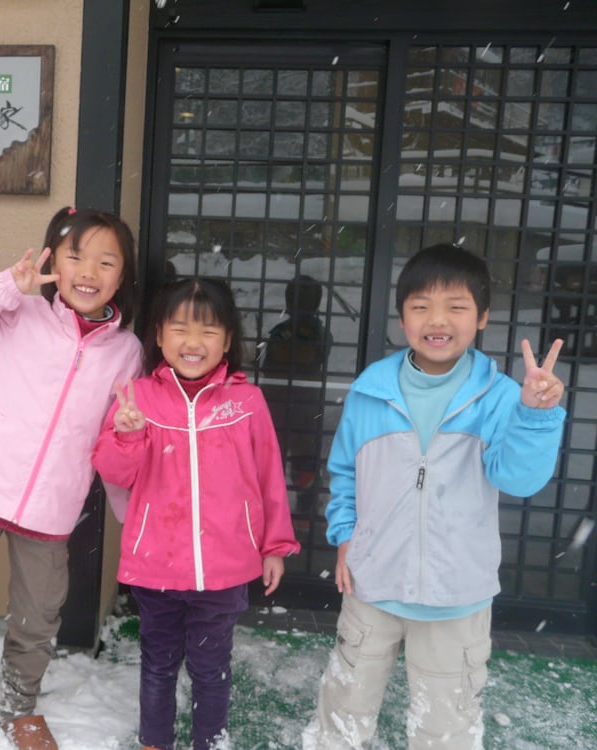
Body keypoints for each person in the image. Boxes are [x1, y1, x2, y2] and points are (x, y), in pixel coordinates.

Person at [303, 244, 567, 749]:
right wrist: (344, 537)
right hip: (372, 581)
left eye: (456, 307)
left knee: (445, 724)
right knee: (345, 707)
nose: (437, 320)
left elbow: (519, 479)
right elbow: (344, 472)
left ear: (483, 317)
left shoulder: (500, 397)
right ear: (403, 317)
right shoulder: (371, 390)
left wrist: (533, 413)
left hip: (457, 594)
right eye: (421, 306)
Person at [0, 207, 143, 750]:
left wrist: (133, 508)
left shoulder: (126, 351)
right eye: (75, 256)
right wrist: (5, 287)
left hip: (52, 507)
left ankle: (18, 710)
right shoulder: (16, 312)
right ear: (52, 261)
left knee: (37, 620)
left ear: (121, 276)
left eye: (106, 261)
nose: (89, 271)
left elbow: (114, 442)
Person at [92, 277, 301, 750]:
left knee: (211, 668)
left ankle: (211, 740)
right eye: (180, 328)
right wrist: (126, 434)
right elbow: (113, 471)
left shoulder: (246, 403)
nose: (193, 342)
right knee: (159, 663)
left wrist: (275, 546)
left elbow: (269, 477)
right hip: (154, 567)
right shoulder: (137, 398)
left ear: (227, 340)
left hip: (224, 571)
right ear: (160, 336)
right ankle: (155, 742)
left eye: (208, 331)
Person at [261, 275, 333, 512]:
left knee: (281, 457)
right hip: (302, 401)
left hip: (286, 399)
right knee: (297, 457)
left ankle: (287, 512)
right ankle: (300, 510)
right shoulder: (321, 332)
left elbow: (277, 360)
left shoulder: (284, 332)